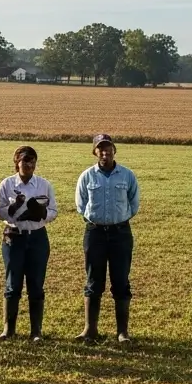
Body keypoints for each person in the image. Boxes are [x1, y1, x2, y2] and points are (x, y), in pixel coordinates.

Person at [74, 134, 139, 346]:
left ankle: (122, 333)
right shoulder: (87, 176)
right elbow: (81, 204)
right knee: (94, 281)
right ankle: (90, 330)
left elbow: (134, 203)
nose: (105, 152)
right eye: (100, 149)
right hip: (95, 234)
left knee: (121, 281)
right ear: (95, 152)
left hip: (121, 234)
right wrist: (95, 220)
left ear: (114, 150)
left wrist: (119, 220)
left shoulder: (127, 176)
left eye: (108, 147)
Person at [0, 145, 58, 342]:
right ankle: (8, 330)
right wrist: (13, 208)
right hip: (14, 237)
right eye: (24, 161)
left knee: (36, 285)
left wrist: (42, 214)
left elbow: (53, 211)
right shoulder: (6, 184)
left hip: (38, 237)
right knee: (12, 285)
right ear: (17, 163)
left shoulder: (44, 185)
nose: (29, 165)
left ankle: (36, 332)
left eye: (32, 161)